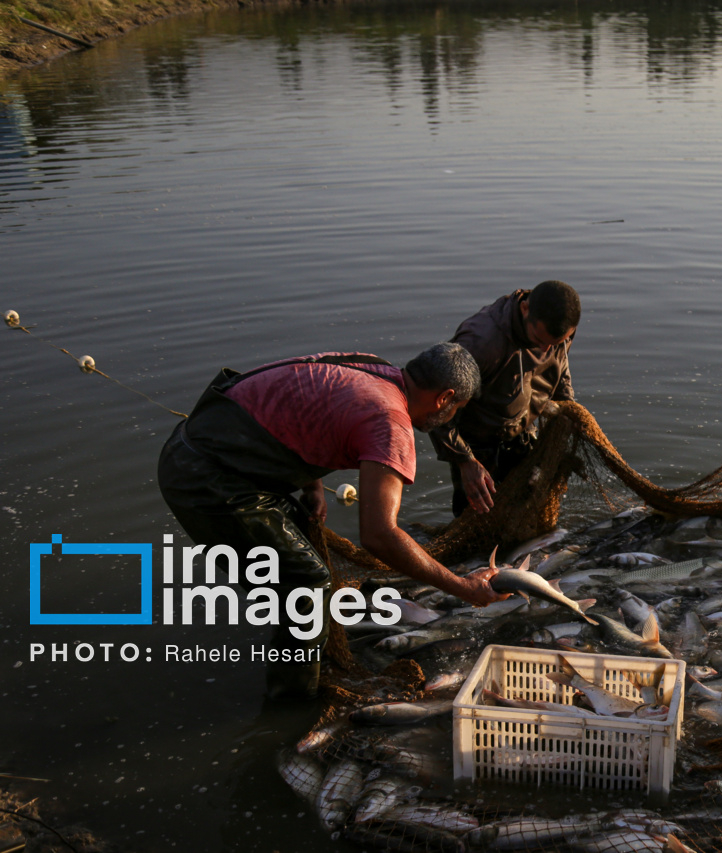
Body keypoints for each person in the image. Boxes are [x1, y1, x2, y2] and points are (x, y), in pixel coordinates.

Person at [157, 345, 506, 700]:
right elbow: (379, 535)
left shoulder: (373, 367)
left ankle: (299, 658)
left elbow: (299, 403)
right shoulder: (390, 422)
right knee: (307, 585)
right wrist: (461, 587)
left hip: (203, 446)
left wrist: (312, 486)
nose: (450, 420)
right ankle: (292, 702)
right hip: (207, 480)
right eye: (455, 410)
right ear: (444, 398)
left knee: (305, 573)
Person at [431, 280, 579, 516]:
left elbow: (561, 371)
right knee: (477, 518)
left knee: (528, 510)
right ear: (525, 310)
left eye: (554, 344)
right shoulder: (481, 343)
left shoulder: (557, 330)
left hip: (523, 433)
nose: (545, 349)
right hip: (477, 447)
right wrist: (464, 461)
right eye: (539, 341)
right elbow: (434, 408)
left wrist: (567, 407)